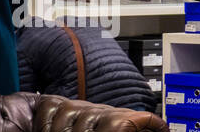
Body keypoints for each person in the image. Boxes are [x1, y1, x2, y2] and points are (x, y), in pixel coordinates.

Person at [17, 18, 158, 111]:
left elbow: (22, 104)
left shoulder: (23, 42)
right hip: (142, 98)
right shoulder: (81, 23)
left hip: (96, 109)